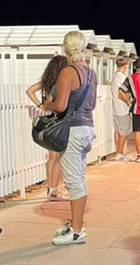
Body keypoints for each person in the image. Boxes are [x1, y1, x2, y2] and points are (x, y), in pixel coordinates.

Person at [42, 31, 97, 246]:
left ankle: (76, 231)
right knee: (79, 179)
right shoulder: (90, 72)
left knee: (74, 182)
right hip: (87, 128)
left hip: (73, 131)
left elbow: (61, 105)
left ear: (65, 48)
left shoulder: (68, 71)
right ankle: (76, 223)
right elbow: (91, 103)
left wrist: (47, 104)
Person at [26, 55, 69, 201]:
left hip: (49, 121)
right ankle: (54, 190)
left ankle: (51, 188)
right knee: (57, 157)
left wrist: (40, 105)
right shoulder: (60, 83)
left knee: (51, 157)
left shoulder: (47, 82)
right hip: (58, 120)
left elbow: (30, 90)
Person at [111, 56, 133, 161]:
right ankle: (119, 153)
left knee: (119, 131)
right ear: (125, 66)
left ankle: (119, 152)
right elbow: (121, 93)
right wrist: (128, 101)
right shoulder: (122, 77)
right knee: (124, 131)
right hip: (122, 108)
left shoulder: (116, 76)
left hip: (116, 107)